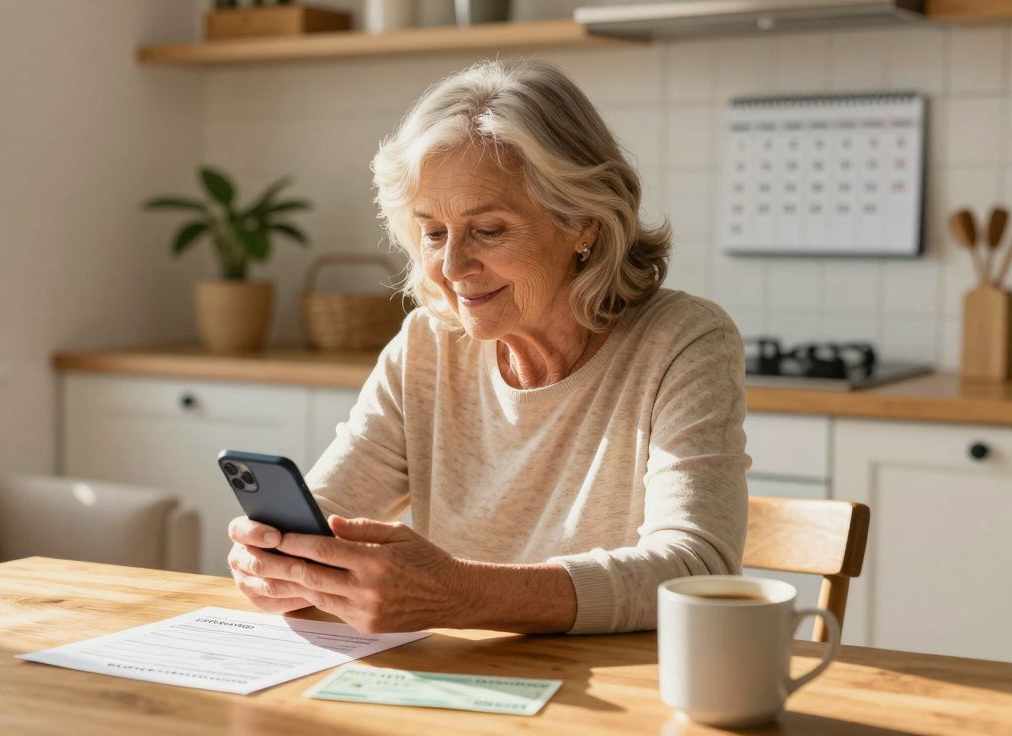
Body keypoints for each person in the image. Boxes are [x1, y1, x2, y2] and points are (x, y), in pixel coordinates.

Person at [227, 59, 750, 635]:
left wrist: (459, 594)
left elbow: (696, 571)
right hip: (455, 684)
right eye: (432, 232)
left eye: (489, 230)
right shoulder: (428, 344)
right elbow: (329, 511)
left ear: (584, 224)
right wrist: (277, 562)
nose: (452, 267)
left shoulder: (684, 341)